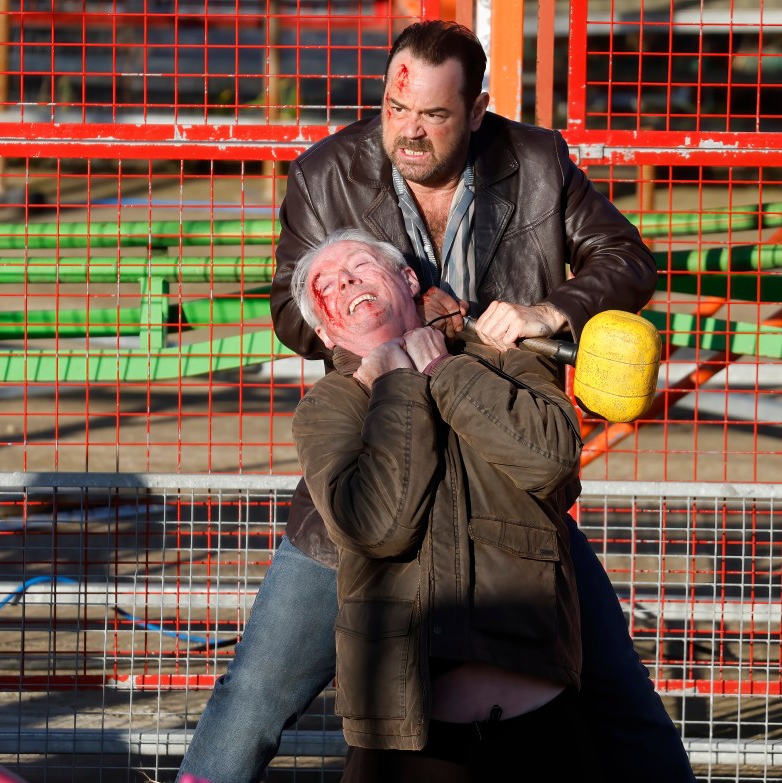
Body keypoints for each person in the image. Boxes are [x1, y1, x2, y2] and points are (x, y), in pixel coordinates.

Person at [178, 19, 696, 783]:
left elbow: (626, 257)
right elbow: (294, 308)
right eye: (395, 108)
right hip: (381, 450)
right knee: (254, 693)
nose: (409, 132)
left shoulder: (537, 162)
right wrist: (374, 335)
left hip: (501, 478)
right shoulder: (325, 174)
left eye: (434, 115)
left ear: (478, 109)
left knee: (618, 696)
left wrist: (548, 312)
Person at [290, 230, 595, 781]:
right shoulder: (327, 408)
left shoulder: (503, 358)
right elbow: (378, 526)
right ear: (322, 328)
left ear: (409, 280)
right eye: (328, 285)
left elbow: (552, 460)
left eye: (360, 266)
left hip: (541, 722)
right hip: (409, 736)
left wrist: (446, 371)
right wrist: (401, 384)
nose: (348, 282)